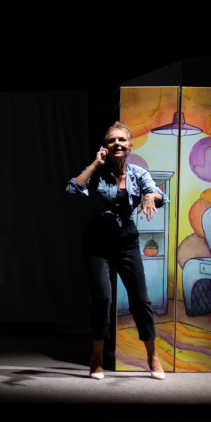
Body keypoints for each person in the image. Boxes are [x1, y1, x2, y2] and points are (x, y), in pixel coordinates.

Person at [66, 122, 166, 380]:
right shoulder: (97, 173)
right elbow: (72, 189)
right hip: (97, 240)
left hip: (126, 240)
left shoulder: (138, 173)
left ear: (130, 145)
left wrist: (149, 196)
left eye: (122, 140)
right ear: (105, 147)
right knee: (103, 298)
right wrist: (95, 164)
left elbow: (159, 196)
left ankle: (152, 356)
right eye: (112, 140)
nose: (117, 144)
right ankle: (97, 357)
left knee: (140, 300)